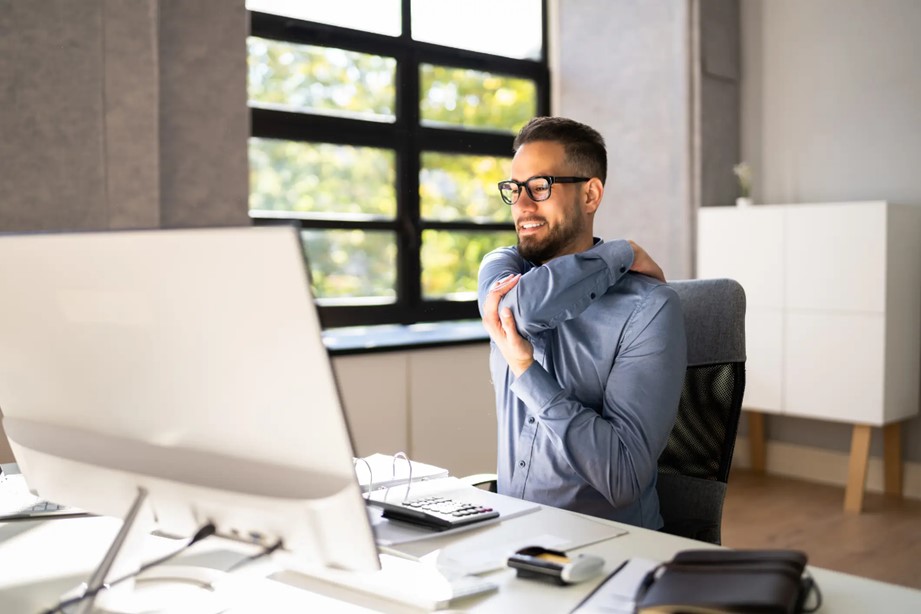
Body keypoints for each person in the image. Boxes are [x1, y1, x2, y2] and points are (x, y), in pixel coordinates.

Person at [477, 116, 687, 529]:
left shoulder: (649, 308)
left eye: (540, 187)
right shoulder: (502, 267)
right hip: (510, 535)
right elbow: (524, 311)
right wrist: (621, 252)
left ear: (590, 194)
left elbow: (623, 478)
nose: (521, 205)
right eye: (514, 189)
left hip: (607, 551)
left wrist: (526, 370)